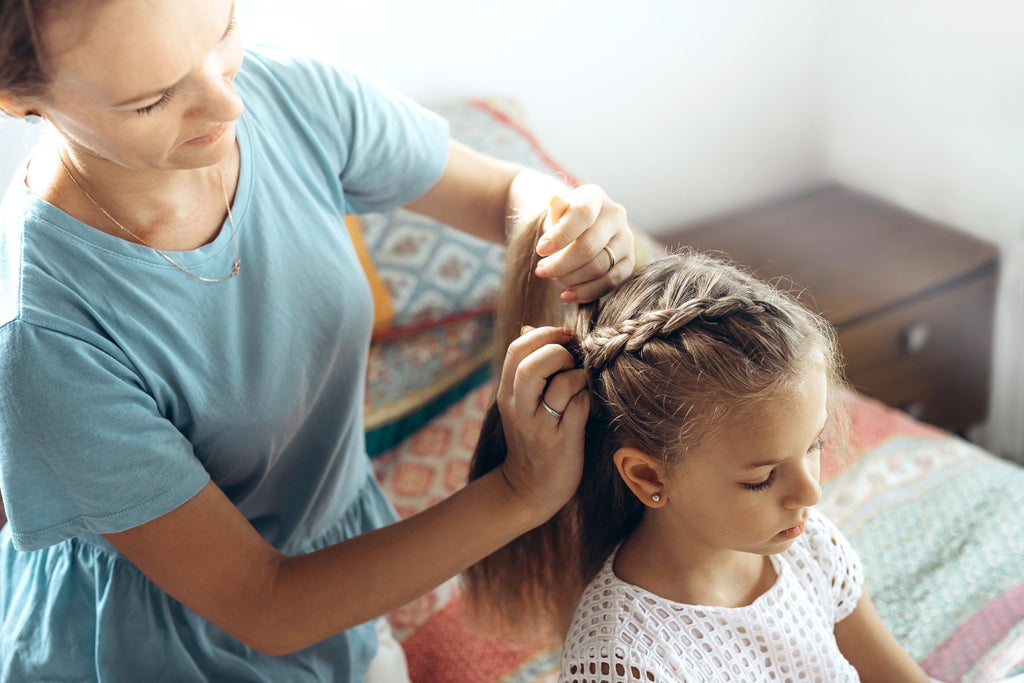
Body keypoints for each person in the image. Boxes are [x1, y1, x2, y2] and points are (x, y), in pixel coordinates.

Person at [0, 0, 636, 680]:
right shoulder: (47, 341)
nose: (227, 104)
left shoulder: (287, 90)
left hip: (328, 581)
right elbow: (268, 605)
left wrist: (571, 219)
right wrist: (519, 491)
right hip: (184, 646)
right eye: (151, 101)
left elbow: (506, 191)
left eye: (223, 33)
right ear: (18, 98)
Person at [465, 224, 933, 681]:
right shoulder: (622, 661)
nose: (809, 493)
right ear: (649, 477)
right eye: (761, 478)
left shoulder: (811, 547)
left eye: (814, 445)